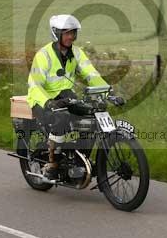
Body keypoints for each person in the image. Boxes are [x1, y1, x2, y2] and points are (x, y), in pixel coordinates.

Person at [27, 14, 109, 180]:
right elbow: (34, 84)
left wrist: (108, 92)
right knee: (62, 118)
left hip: (66, 97)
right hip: (43, 100)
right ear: (56, 33)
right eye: (66, 33)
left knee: (91, 115)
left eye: (73, 32)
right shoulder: (44, 55)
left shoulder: (77, 53)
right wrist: (48, 102)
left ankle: (80, 161)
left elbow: (91, 74)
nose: (71, 36)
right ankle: (52, 163)